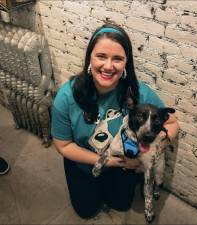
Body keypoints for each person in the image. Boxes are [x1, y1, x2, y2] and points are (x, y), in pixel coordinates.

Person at [51, 23, 179, 219]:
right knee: (86, 210)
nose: (109, 66)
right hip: (85, 162)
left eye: (117, 58)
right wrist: (108, 161)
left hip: (124, 164)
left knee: (121, 205)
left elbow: (172, 125)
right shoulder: (67, 96)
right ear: (90, 59)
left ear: (126, 63)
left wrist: (151, 153)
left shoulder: (139, 93)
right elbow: (63, 145)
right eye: (101, 56)